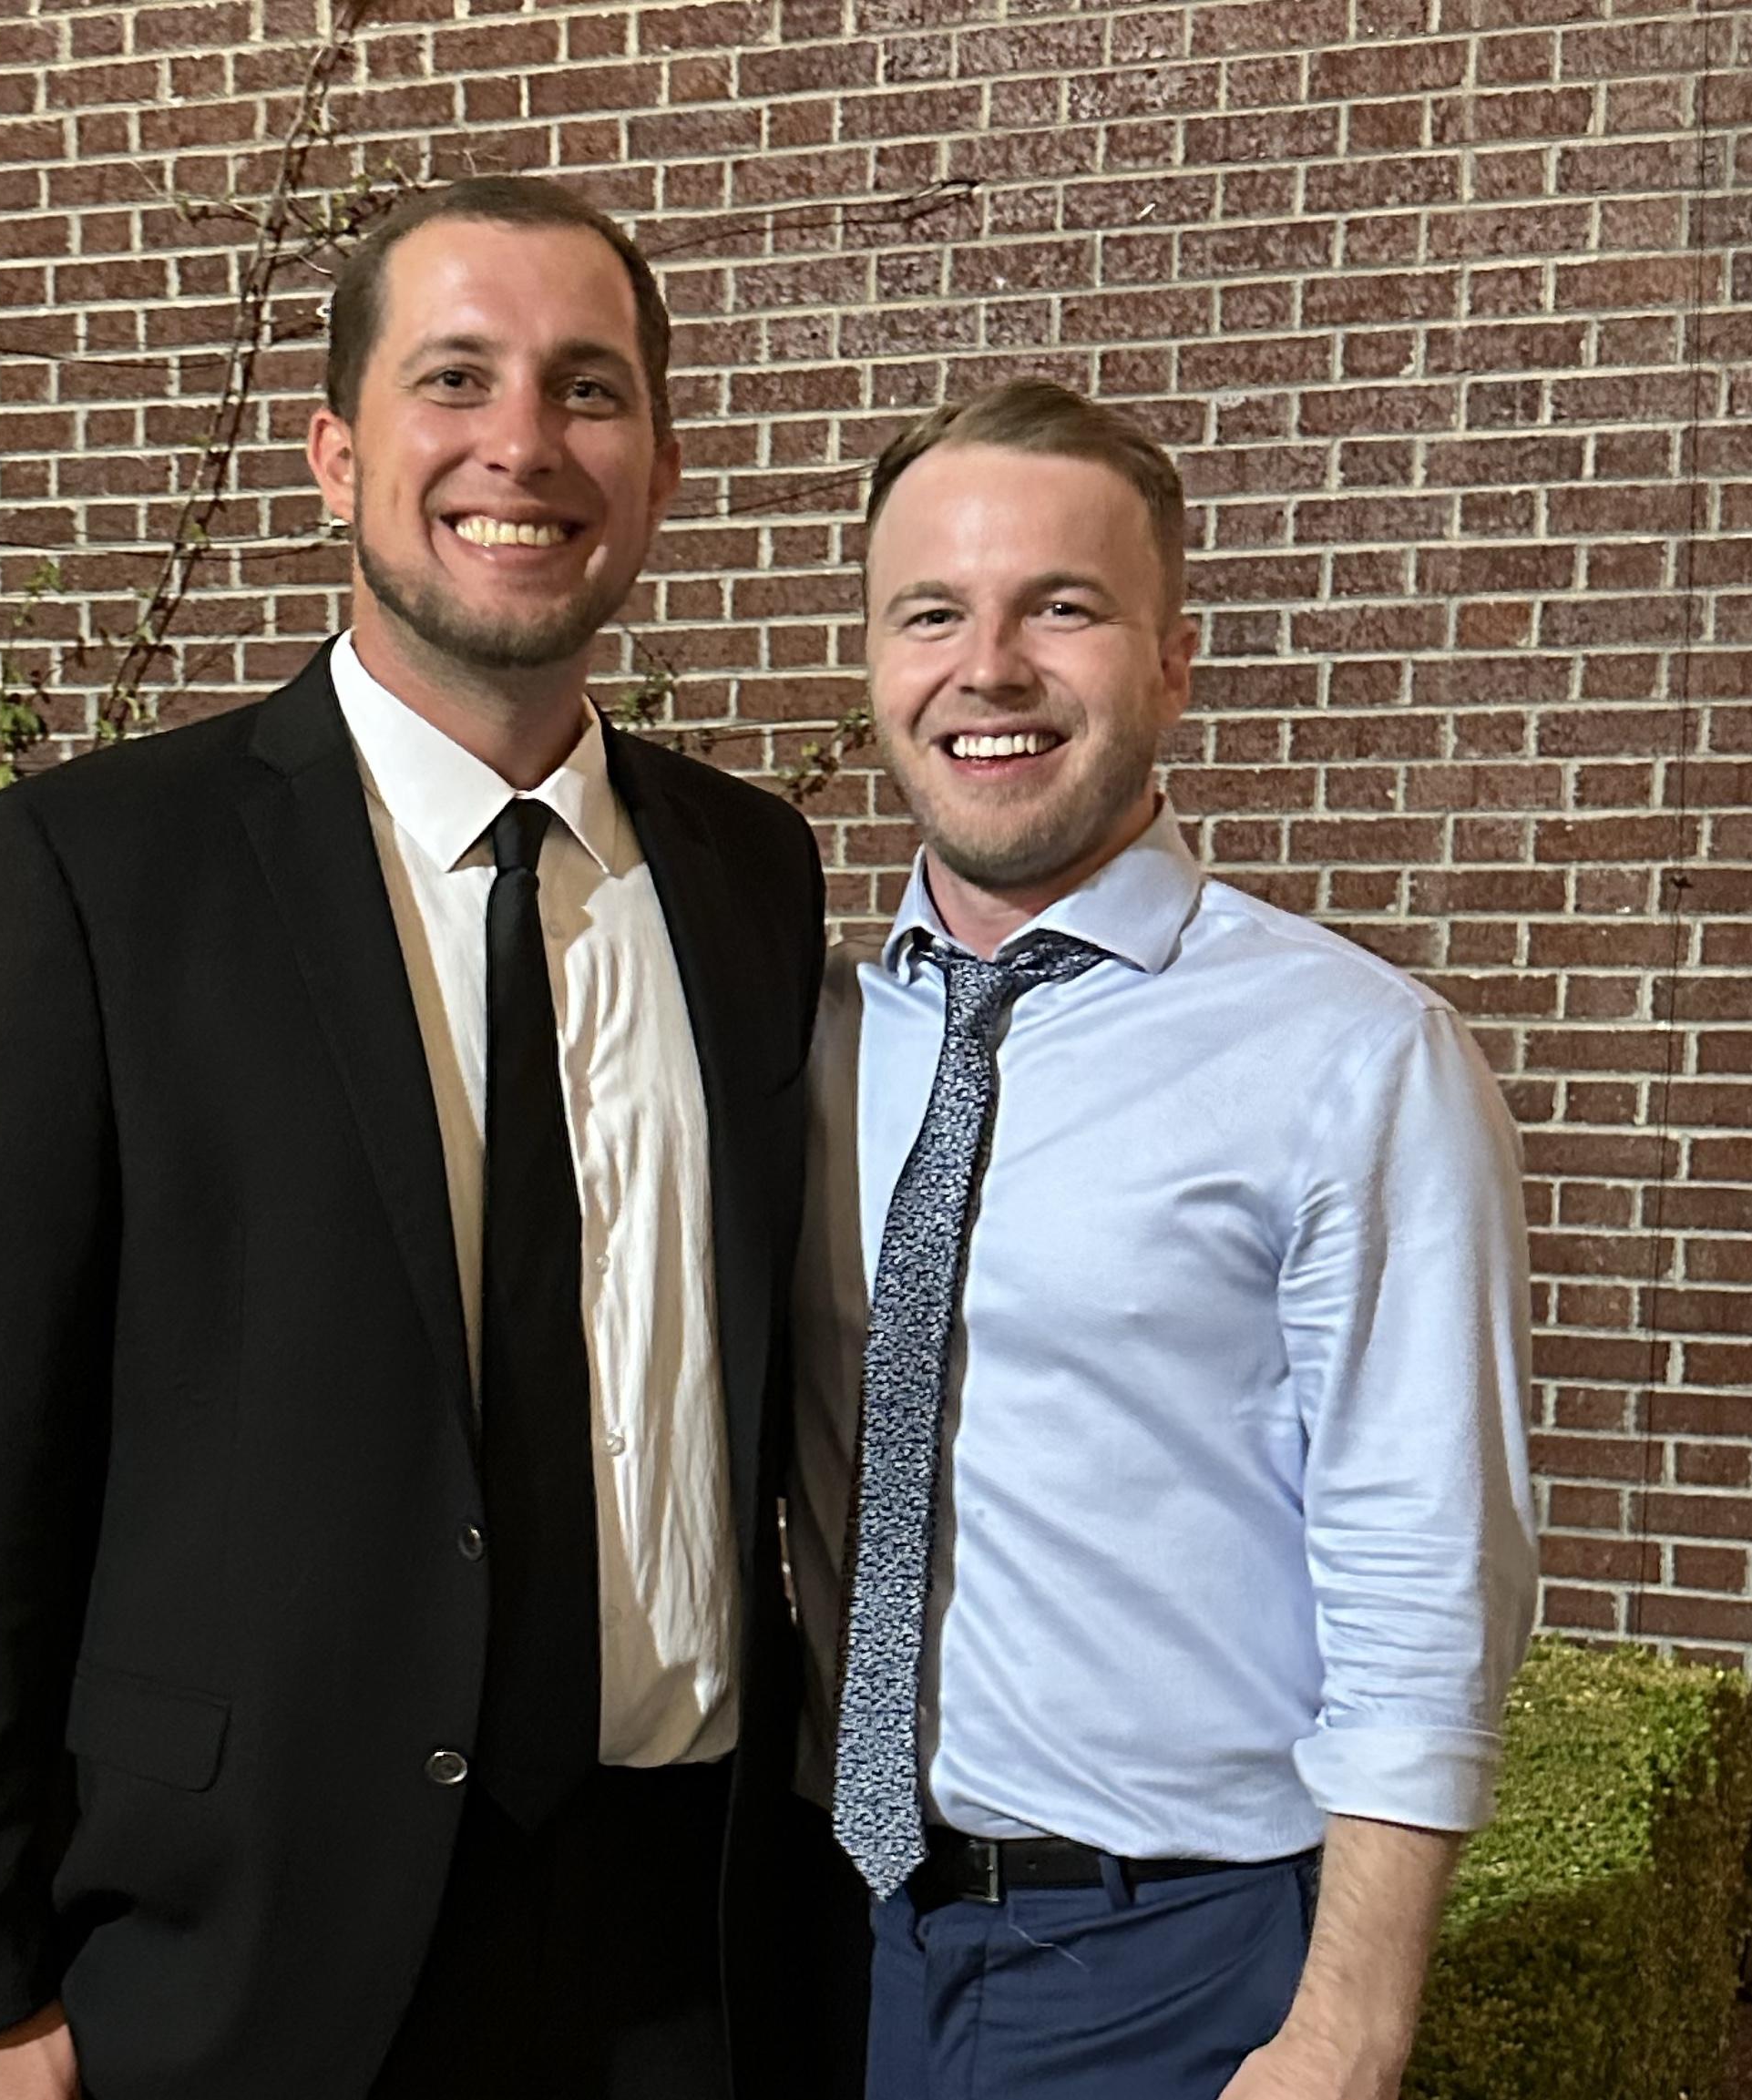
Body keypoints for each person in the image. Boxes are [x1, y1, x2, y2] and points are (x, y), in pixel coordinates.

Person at [0, 176, 835, 2100]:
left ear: (658, 469)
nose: (520, 444)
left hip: (686, 1943)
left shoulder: (748, 873)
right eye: (453, 378)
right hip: (249, 1959)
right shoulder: (102, 872)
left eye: (588, 389)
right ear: (333, 454)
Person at [787, 377, 1538, 2100]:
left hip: (1170, 1971)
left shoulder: (1350, 1059)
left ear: (1172, 662)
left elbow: (1426, 1565)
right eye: (929, 613)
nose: (987, 668)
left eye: (1061, 607)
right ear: (876, 661)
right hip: (827, 1939)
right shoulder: (807, 1037)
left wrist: (1346, 2025)